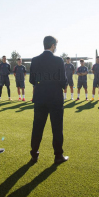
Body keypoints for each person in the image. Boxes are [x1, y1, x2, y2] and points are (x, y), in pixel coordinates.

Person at [29, 36, 68, 164]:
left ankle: (34, 154)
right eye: (55, 45)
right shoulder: (58, 60)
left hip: (40, 98)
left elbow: (31, 80)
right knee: (57, 128)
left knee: (37, 127)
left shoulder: (35, 60)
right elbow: (63, 81)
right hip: (55, 98)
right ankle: (58, 155)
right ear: (52, 46)